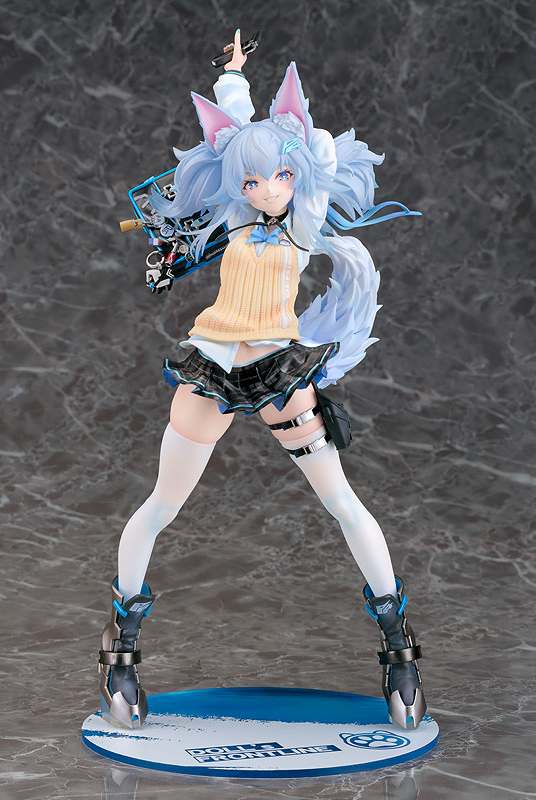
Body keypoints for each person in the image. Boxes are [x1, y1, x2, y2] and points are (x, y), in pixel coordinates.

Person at [98, 30, 426, 732]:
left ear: (296, 172)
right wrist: (232, 81)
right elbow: (236, 141)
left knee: (341, 502)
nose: (264, 190)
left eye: (277, 176)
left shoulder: (304, 218)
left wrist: (282, 129)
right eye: (250, 182)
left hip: (279, 370)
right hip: (213, 365)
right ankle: (120, 652)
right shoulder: (234, 216)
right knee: (162, 504)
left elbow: (296, 146)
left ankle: (399, 647)